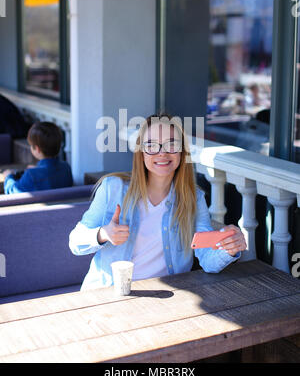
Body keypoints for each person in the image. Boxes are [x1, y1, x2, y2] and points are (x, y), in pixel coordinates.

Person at [69, 113, 246, 290]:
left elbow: (208, 260)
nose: (162, 152)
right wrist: (103, 234)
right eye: (151, 145)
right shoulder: (112, 187)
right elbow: (75, 243)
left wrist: (228, 247)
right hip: (108, 294)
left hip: (164, 298)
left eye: (172, 144)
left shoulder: (193, 198)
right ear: (141, 152)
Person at [3, 121, 73, 194]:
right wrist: (37, 169)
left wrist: (9, 177)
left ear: (37, 149)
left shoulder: (31, 175)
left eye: (31, 145)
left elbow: (13, 192)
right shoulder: (66, 168)